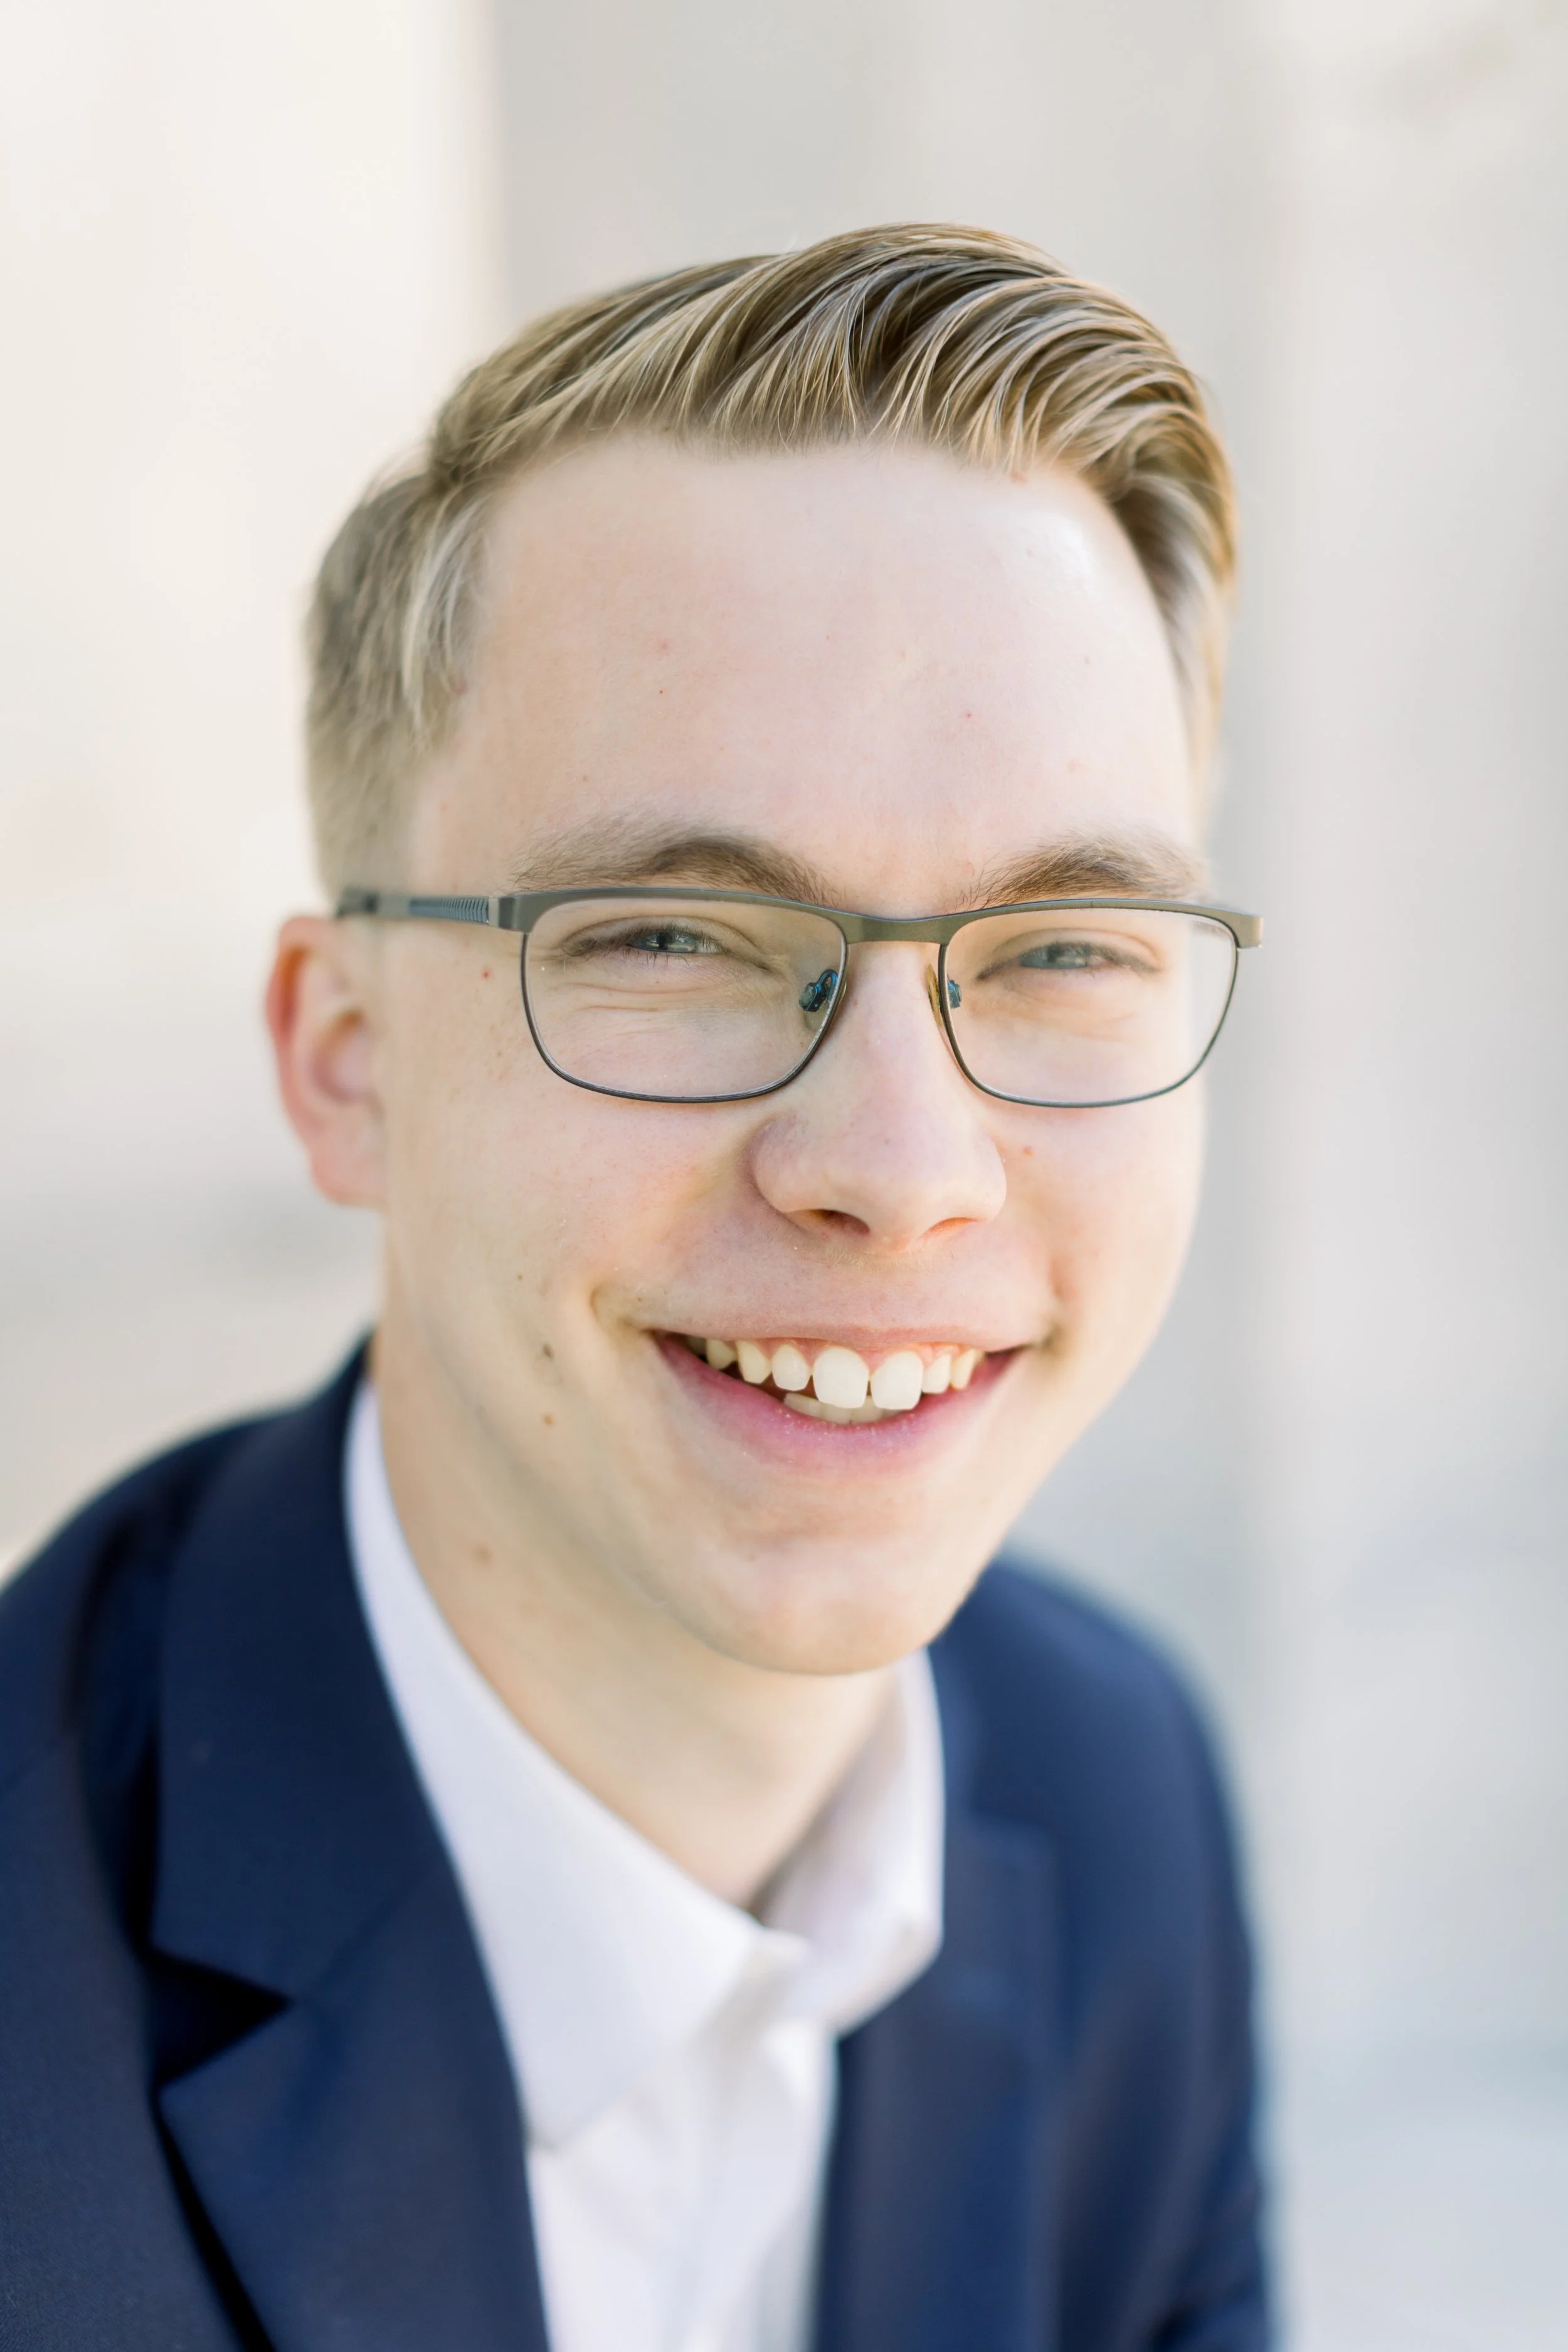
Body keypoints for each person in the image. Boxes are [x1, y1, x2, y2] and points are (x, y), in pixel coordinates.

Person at [0, 226, 1268, 2350]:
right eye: (672, 939)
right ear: (346, 1060)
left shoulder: (1112, 1781)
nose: (898, 1170)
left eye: (1061, 948)